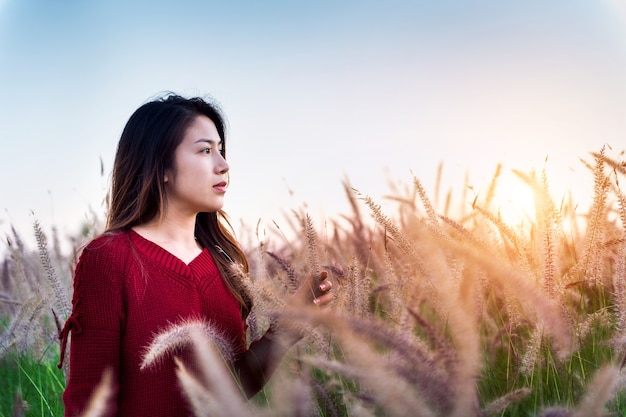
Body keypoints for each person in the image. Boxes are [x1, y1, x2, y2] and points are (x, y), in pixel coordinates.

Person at [58, 93, 334, 417]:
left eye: (221, 150)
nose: (223, 165)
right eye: (205, 150)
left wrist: (286, 328)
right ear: (161, 166)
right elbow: (89, 401)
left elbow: (229, 388)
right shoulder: (108, 258)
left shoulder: (227, 264)